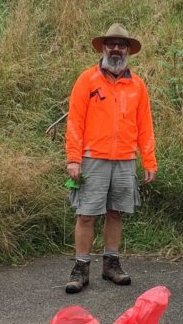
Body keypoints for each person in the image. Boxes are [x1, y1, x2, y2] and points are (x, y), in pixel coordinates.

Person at [63, 23, 157, 293]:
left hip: (126, 159)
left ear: (129, 50)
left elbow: (145, 126)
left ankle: (111, 264)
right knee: (86, 214)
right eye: (111, 43)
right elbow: (75, 121)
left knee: (116, 213)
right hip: (93, 158)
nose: (116, 48)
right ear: (103, 47)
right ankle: (80, 268)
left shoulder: (137, 86)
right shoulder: (87, 80)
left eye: (122, 44)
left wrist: (149, 161)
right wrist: (73, 158)